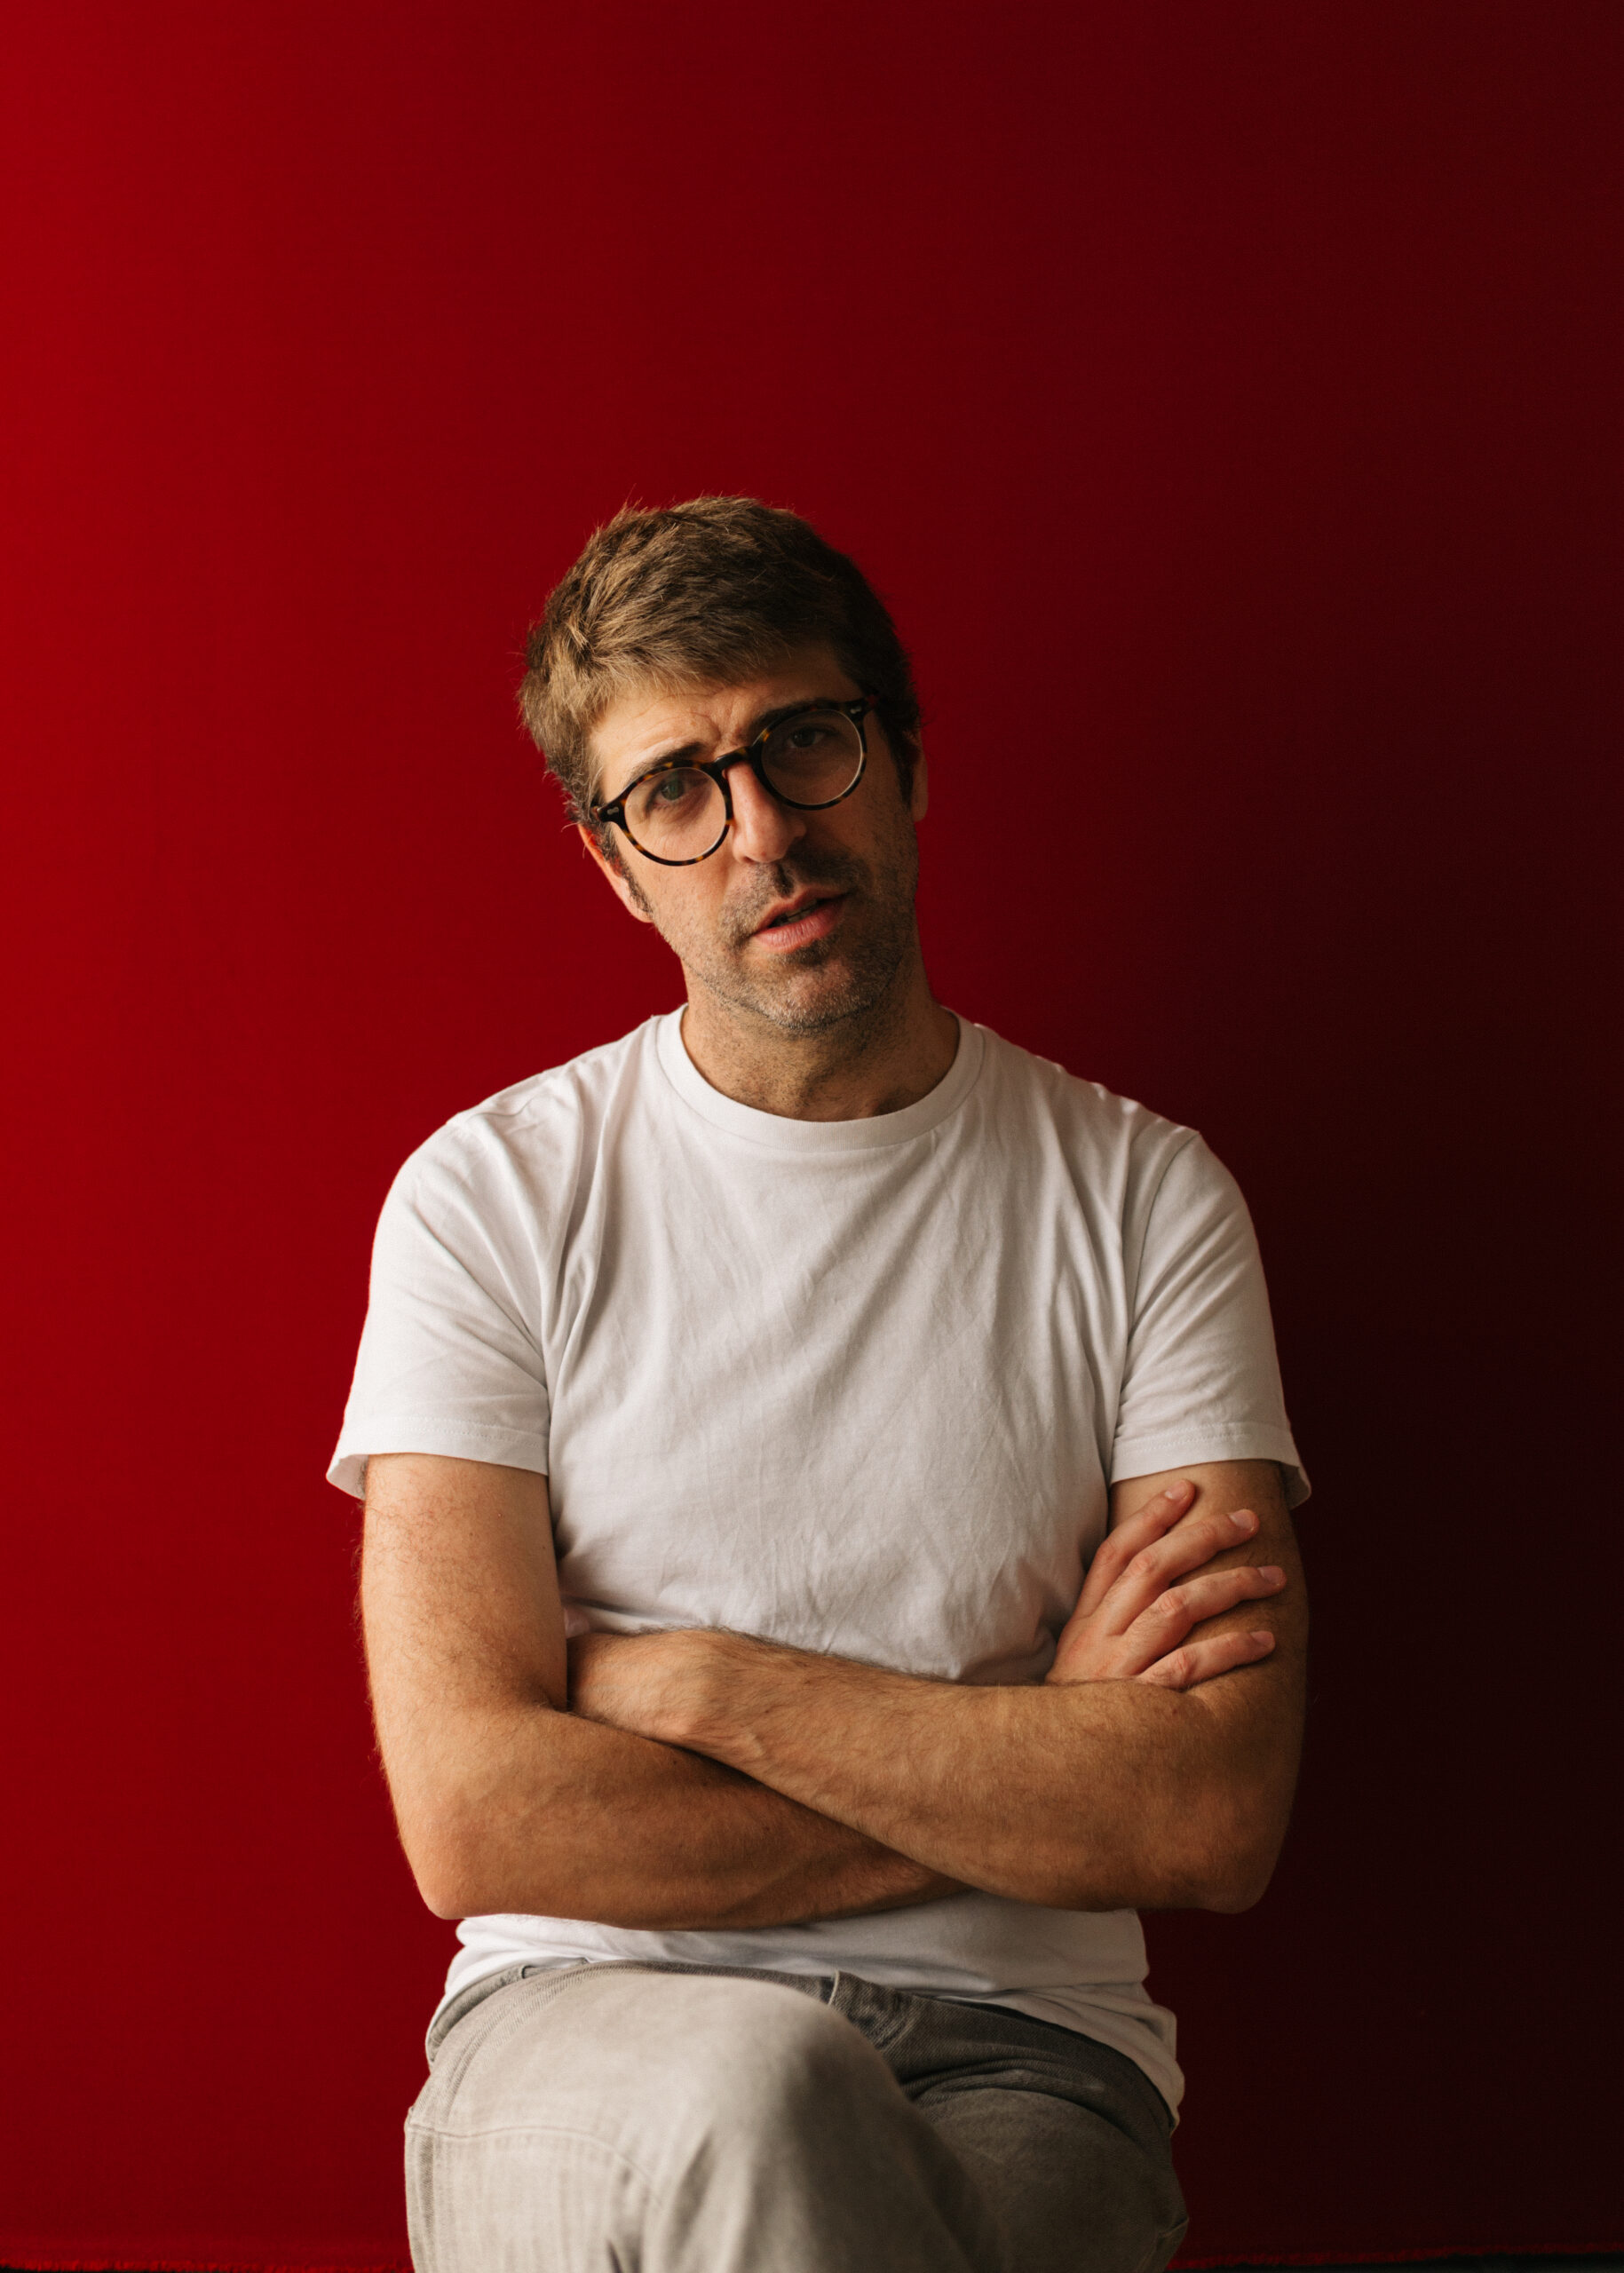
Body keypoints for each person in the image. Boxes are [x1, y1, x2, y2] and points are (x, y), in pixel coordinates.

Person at [330, 495, 1310, 2273]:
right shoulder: (488, 1201)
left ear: (904, 761)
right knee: (767, 2084)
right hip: (585, 2019)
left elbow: (1201, 1813)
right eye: (676, 788)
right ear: (615, 866)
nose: (765, 830)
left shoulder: (1145, 1200)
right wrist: (1032, 1760)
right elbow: (476, 1818)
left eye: (804, 741)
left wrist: (696, 1682)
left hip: (1027, 2055)